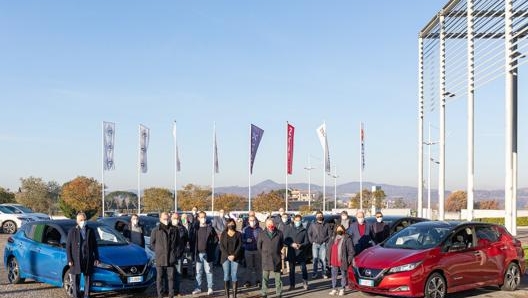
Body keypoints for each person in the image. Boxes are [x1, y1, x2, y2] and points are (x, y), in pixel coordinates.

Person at [66, 212, 100, 298]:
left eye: (84, 220)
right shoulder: (72, 231)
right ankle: (76, 295)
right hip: (76, 259)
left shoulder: (90, 230)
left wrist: (96, 257)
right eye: (81, 220)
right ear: (77, 221)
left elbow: (94, 245)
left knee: (88, 279)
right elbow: (68, 246)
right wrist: (70, 260)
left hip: (88, 259)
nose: (83, 221)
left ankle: (86, 295)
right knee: (75, 279)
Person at [151, 212, 178, 298]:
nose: (166, 220)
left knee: (171, 277)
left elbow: (178, 243)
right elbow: (152, 243)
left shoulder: (174, 229)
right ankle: (160, 294)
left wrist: (175, 253)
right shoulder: (156, 230)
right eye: (164, 219)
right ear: (160, 219)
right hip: (160, 258)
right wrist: (158, 251)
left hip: (171, 257)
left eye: (167, 219)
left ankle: (171, 294)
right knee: (160, 277)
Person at [191, 211, 218, 296]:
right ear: (198, 218)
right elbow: (191, 239)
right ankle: (198, 288)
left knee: (209, 271)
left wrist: (211, 248)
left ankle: (210, 288)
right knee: (198, 272)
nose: (203, 219)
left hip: (207, 253)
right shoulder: (195, 228)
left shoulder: (210, 228)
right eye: (201, 217)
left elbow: (216, 239)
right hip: (198, 253)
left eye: (204, 217)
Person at [258, 218, 284, 298]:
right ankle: (264, 293)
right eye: (268, 224)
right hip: (266, 258)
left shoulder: (279, 233)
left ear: (274, 224)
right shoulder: (262, 233)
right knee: (265, 278)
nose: (270, 225)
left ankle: (279, 293)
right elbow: (259, 246)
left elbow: (281, 244)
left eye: (271, 223)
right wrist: (264, 253)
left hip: (276, 258)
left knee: (278, 278)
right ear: (266, 224)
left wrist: (276, 251)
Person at [284, 214, 309, 291]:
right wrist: (291, 244)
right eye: (296, 220)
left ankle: (305, 283)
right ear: (294, 221)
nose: (297, 222)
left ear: (301, 221)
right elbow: (285, 240)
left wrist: (300, 245)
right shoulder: (289, 229)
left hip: (301, 252)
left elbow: (307, 242)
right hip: (292, 252)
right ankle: (292, 285)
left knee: (304, 269)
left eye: (299, 220)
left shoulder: (304, 230)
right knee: (292, 270)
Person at [327, 225, 354, 296]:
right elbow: (328, 249)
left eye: (341, 229)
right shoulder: (333, 238)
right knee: (334, 275)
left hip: (343, 260)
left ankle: (342, 288)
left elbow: (351, 251)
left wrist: (348, 260)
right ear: (335, 230)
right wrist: (328, 259)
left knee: (343, 275)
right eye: (338, 229)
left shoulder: (347, 238)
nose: (339, 231)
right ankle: (334, 289)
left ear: (343, 230)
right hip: (333, 260)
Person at [220, 218, 243, 298]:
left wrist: (234, 255)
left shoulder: (238, 234)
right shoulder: (223, 233)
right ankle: (227, 295)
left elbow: (240, 246)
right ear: (227, 225)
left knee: (234, 275)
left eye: (232, 224)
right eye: (229, 224)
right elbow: (221, 246)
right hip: (225, 257)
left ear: (234, 224)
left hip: (235, 258)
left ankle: (234, 295)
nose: (231, 225)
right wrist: (228, 256)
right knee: (226, 275)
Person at [307, 210, 331, 279]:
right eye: (318, 216)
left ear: (322, 216)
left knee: (323, 260)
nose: (319, 217)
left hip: (323, 244)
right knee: (315, 259)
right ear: (316, 217)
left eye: (320, 215)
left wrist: (325, 241)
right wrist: (312, 241)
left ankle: (324, 273)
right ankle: (314, 273)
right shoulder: (313, 224)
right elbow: (309, 233)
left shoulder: (326, 224)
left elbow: (329, 234)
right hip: (315, 244)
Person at [241, 214, 262, 288]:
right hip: (248, 250)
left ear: (256, 221)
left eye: (254, 220)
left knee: (258, 267)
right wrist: (246, 240)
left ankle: (259, 281)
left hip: (257, 250)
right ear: (248, 221)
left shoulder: (260, 229)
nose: (252, 221)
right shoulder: (245, 229)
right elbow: (241, 240)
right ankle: (247, 281)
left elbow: (262, 240)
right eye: (251, 220)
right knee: (249, 267)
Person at [170, 212, 186, 296]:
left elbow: (185, 239)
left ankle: (177, 290)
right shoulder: (168, 227)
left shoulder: (182, 228)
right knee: (169, 274)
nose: (176, 220)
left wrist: (181, 250)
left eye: (177, 218)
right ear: (171, 218)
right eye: (174, 218)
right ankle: (169, 290)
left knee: (178, 273)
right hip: (169, 255)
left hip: (179, 254)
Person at [181, 213, 195, 278]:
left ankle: (190, 274)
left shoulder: (191, 225)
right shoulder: (180, 226)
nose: (184, 219)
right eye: (183, 218)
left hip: (189, 246)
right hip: (182, 247)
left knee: (190, 261)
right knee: (180, 261)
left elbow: (194, 235)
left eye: (186, 217)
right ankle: (180, 275)